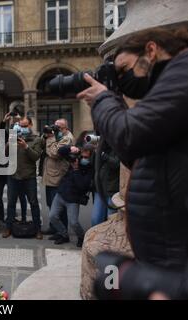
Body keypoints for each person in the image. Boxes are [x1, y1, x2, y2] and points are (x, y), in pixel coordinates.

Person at [77, 27, 188, 270]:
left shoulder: (182, 72)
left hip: (175, 255)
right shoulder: (166, 85)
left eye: (125, 69)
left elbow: (129, 135)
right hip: (166, 251)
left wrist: (104, 100)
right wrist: (109, 102)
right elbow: (134, 155)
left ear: (151, 50)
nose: (123, 79)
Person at [2, 116, 43, 239]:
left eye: (25, 126)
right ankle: (8, 228)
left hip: (28, 176)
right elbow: (4, 155)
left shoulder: (36, 139)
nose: (22, 128)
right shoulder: (14, 137)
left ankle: (37, 229)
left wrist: (26, 146)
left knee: (34, 203)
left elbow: (36, 157)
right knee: (11, 203)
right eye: (21, 125)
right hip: (13, 176)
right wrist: (9, 142)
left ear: (30, 125)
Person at [49, 145, 94, 247]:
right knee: (53, 216)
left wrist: (76, 170)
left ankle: (81, 237)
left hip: (73, 198)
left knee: (73, 222)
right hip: (61, 193)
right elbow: (61, 152)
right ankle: (64, 234)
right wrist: (71, 148)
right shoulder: (74, 159)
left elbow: (82, 185)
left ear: (91, 157)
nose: (83, 159)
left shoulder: (90, 169)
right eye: (82, 156)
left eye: (86, 157)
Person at [41, 119, 73, 235]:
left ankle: (62, 231)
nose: (56, 129)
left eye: (58, 127)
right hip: (50, 175)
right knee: (50, 204)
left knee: (59, 207)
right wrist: (47, 135)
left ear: (65, 128)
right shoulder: (56, 136)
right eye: (55, 127)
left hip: (58, 176)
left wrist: (50, 138)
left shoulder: (67, 138)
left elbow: (54, 153)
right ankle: (53, 227)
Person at [0, 112, 29, 223]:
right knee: (8, 197)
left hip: (19, 170)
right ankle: (7, 218)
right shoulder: (9, 136)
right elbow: (1, 133)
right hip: (7, 169)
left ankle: (24, 218)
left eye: (18, 125)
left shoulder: (25, 136)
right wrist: (4, 121)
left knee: (21, 196)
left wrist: (19, 120)